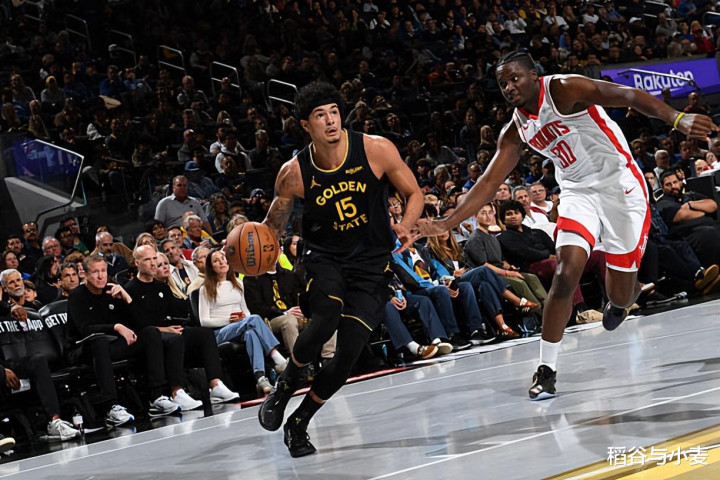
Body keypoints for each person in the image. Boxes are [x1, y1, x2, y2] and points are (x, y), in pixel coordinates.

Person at [417, 51, 718, 402]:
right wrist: (447, 222)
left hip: (620, 187)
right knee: (565, 272)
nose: (509, 87)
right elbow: (487, 182)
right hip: (577, 192)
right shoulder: (515, 129)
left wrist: (676, 117)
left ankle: (622, 300)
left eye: (514, 78)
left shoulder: (563, 88)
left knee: (621, 293)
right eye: (502, 83)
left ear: (534, 75)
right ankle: (547, 370)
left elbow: (626, 94)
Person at [257, 81, 423, 457]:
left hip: (372, 264)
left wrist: (406, 224)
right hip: (324, 258)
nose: (331, 120)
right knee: (326, 315)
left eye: (334, 111)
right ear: (306, 125)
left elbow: (414, 192)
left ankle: (299, 422)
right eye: (321, 115)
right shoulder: (294, 172)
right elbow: (272, 227)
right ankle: (286, 385)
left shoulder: (375, 149)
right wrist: (251, 248)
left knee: (347, 354)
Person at [198, 248, 286, 397]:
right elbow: (204, 321)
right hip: (219, 332)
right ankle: (275, 355)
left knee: (251, 332)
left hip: (242, 326)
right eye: (216, 261)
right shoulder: (205, 288)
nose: (222, 262)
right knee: (254, 320)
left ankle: (260, 378)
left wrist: (242, 319)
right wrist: (229, 320)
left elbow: (246, 313)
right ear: (211, 267)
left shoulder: (238, 283)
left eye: (223, 258)